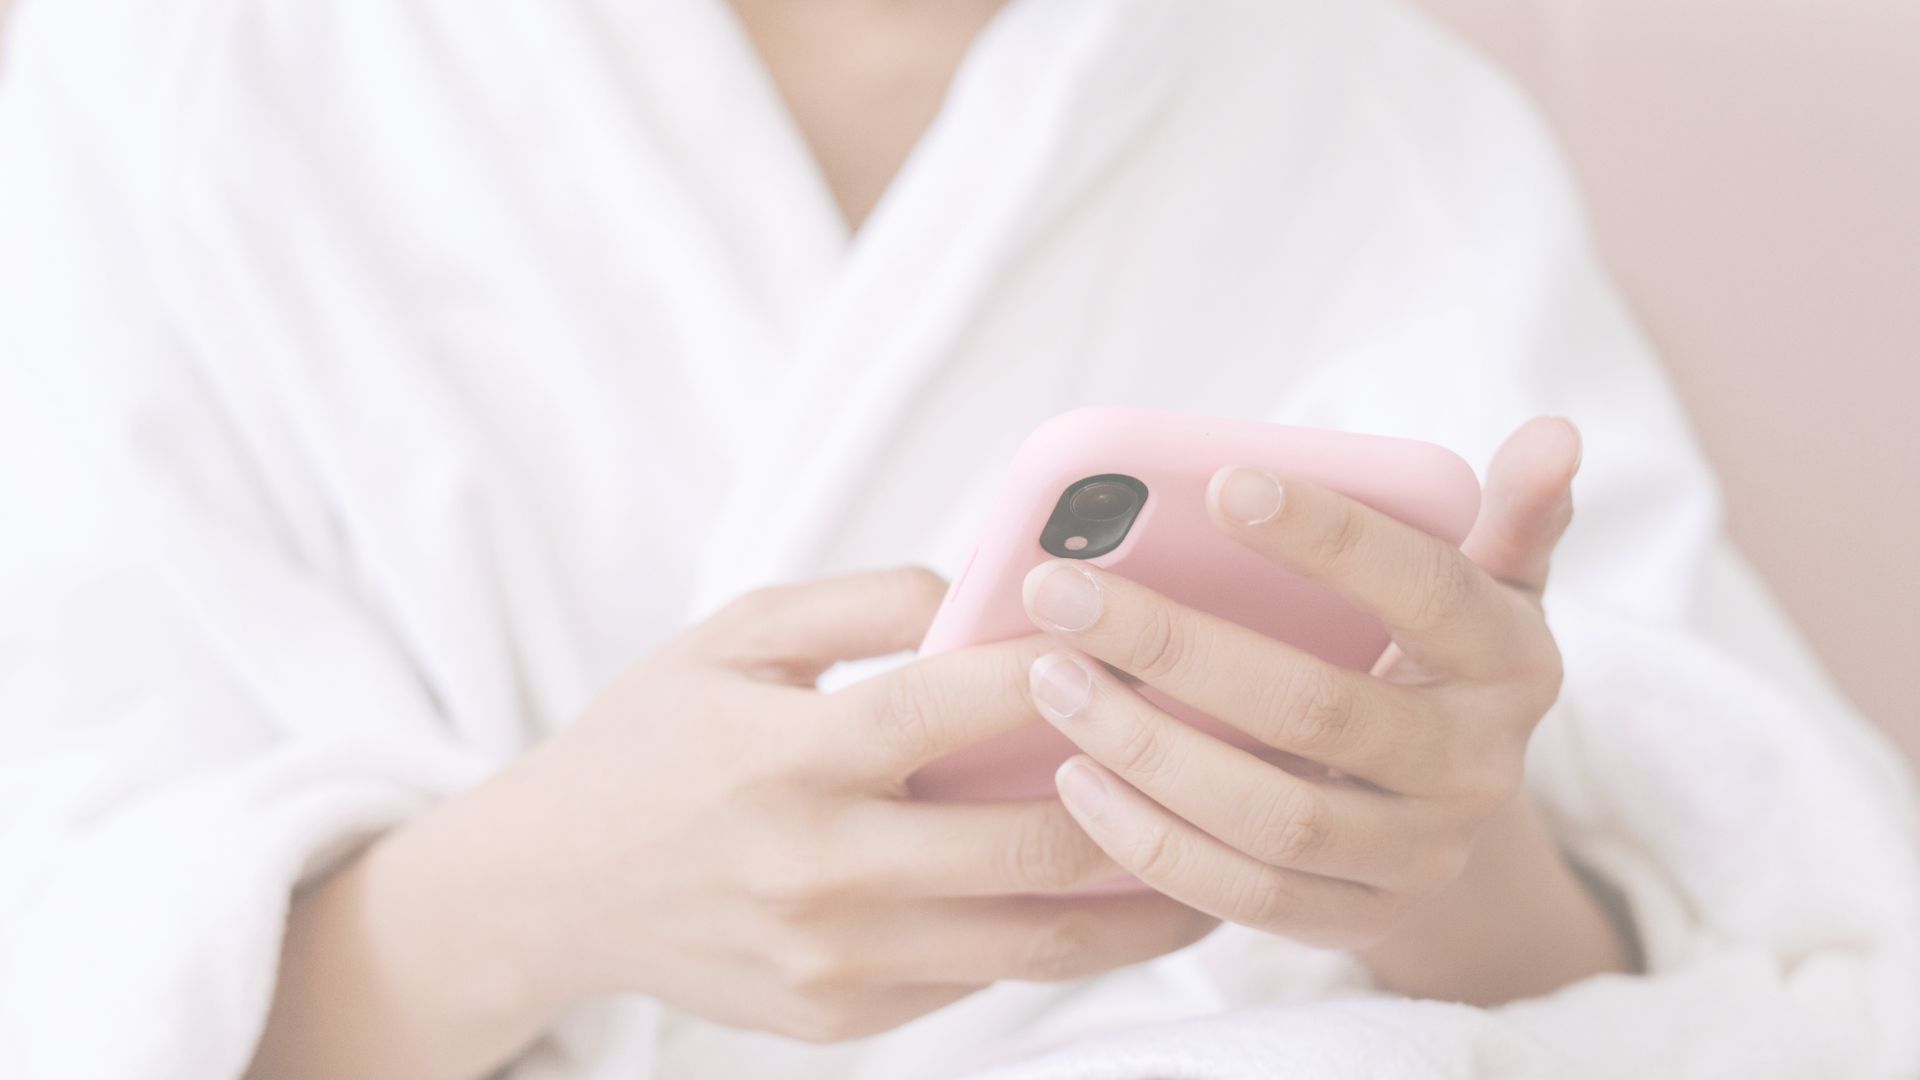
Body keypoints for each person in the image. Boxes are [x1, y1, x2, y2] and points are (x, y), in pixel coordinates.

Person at [0, 1, 1913, 1078]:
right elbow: (59, 948)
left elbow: (1783, 970)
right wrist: (527, 897)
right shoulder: (163, 82)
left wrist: (1421, 856)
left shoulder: (1374, 119)